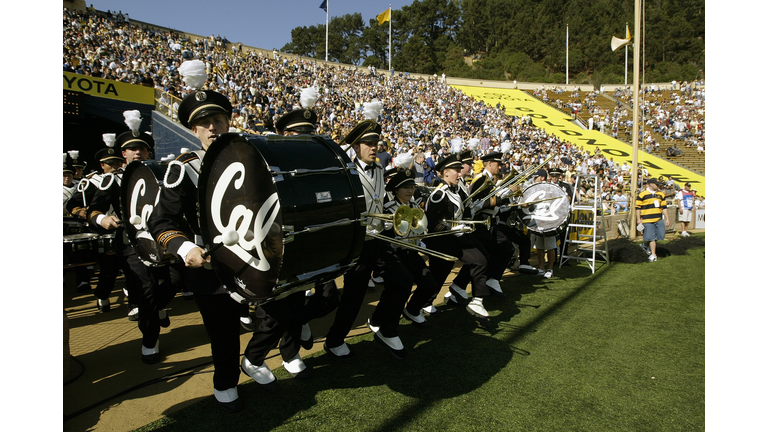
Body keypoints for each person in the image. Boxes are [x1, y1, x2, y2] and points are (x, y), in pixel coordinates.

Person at [148, 85, 254, 413]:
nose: (212, 127)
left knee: (279, 314)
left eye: (218, 120)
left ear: (228, 123)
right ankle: (225, 383)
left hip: (255, 260)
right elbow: (162, 222)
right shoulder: (184, 168)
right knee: (224, 333)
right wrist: (184, 249)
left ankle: (257, 360)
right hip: (212, 267)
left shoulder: (251, 160)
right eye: (204, 122)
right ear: (193, 130)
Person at [323, 119, 414, 360]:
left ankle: (385, 327)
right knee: (354, 296)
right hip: (358, 243)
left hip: (379, 239)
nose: (374, 148)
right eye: (368, 143)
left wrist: (388, 218)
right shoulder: (345, 171)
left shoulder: (380, 169)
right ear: (356, 146)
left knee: (403, 281)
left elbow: (379, 199)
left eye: (376, 143)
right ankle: (334, 341)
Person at [423, 154, 493, 324]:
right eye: (456, 171)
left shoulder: (455, 188)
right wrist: (452, 229)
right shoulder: (439, 194)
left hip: (455, 239)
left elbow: (461, 211)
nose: (460, 174)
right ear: (445, 172)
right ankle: (421, 305)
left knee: (481, 259)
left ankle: (475, 299)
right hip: (441, 241)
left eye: (460, 170)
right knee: (439, 274)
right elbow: (430, 222)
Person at [382, 167, 440, 327]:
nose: (410, 191)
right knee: (395, 290)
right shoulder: (388, 208)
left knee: (430, 284)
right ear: (396, 190)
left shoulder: (415, 205)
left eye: (412, 187)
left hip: (411, 252)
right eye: (405, 188)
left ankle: (412, 310)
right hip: (395, 255)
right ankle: (378, 320)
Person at [529, 169, 558, 278]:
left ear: (542, 178)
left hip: (548, 220)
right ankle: (541, 267)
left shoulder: (550, 188)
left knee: (550, 246)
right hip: (537, 220)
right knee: (539, 246)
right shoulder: (534, 189)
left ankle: (550, 268)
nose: (534, 179)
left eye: (536, 177)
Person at [635, 178, 670, 262]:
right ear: (650, 184)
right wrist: (639, 219)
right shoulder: (642, 194)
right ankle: (653, 255)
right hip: (647, 220)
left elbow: (664, 207)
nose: (658, 185)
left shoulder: (661, 194)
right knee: (652, 238)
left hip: (658, 219)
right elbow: (638, 208)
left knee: (660, 235)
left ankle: (645, 245)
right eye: (656, 184)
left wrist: (667, 218)